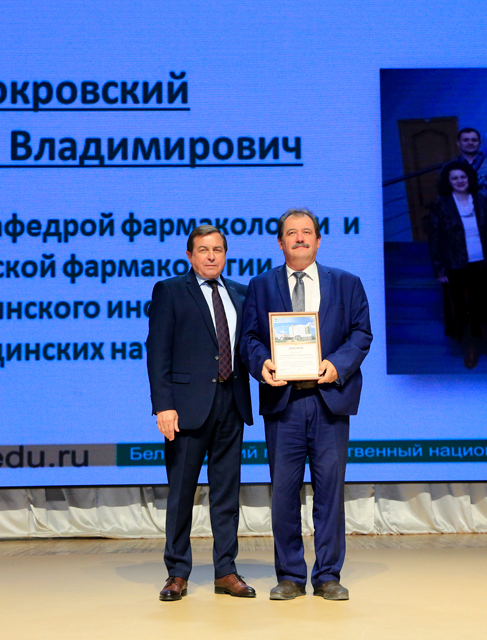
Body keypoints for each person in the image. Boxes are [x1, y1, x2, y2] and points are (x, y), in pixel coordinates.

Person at [240, 208, 371, 602]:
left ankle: (328, 575)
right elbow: (249, 338)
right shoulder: (261, 285)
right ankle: (290, 577)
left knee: (330, 492)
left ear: (318, 240)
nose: (299, 238)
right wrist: (262, 364)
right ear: (280, 242)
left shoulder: (347, 283)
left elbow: (361, 334)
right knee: (284, 493)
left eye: (307, 232)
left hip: (329, 401)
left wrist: (337, 365)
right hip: (284, 404)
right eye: (292, 233)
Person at [146, 224, 255, 602]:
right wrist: (163, 405)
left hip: (232, 403)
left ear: (226, 254)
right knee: (181, 494)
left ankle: (226, 571)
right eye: (203, 250)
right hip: (186, 408)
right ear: (190, 255)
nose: (211, 256)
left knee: (227, 494)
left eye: (218, 249)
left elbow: (249, 347)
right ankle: (177, 572)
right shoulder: (171, 291)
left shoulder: (241, 293)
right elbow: (157, 352)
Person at [427, 162, 487, 368]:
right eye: (455, 178)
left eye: (463, 177)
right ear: (449, 182)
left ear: (469, 179)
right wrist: (440, 269)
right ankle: (471, 349)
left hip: (484, 263)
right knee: (463, 310)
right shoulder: (440, 206)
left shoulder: (483, 201)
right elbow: (435, 239)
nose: (460, 181)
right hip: (456, 266)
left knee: (486, 306)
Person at [454, 127, 487, 205]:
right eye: (466, 140)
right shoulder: (450, 167)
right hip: (460, 210)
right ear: (458, 143)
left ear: (480, 143)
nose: (470, 143)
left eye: (474, 140)